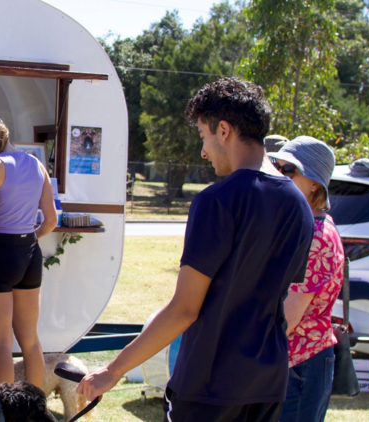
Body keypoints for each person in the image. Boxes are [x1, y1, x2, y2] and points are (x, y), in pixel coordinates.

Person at [77, 77, 314, 422]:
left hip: (208, 384)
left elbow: (185, 309)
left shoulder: (216, 200)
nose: (203, 151)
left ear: (223, 130)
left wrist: (112, 371)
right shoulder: (299, 205)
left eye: (203, 136)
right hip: (267, 384)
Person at [0, 112, 57, 388]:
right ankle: (36, 410)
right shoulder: (35, 163)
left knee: (1, 345)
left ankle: (3, 413)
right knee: (30, 341)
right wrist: (32, 238)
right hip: (29, 253)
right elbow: (51, 220)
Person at [269, 137, 344, 422]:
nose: (279, 175)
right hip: (291, 362)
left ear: (315, 184)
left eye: (289, 170)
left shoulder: (316, 237)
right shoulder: (305, 225)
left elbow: (287, 319)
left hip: (301, 365)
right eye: (278, 166)